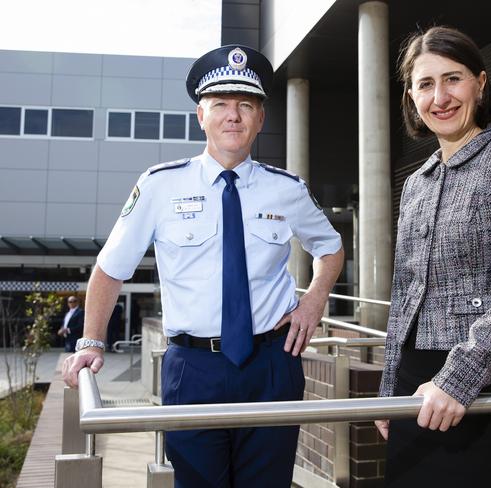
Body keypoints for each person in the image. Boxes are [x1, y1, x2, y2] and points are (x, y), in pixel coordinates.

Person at [62, 44, 344, 487]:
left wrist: (313, 302)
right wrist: (91, 342)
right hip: (193, 369)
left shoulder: (286, 189)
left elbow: (331, 248)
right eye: (221, 105)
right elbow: (111, 268)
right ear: (201, 115)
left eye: (245, 105)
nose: (233, 115)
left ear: (260, 118)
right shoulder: (159, 185)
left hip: (271, 364)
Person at [375, 26, 491, 487]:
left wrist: (458, 378)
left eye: (452, 79)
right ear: (411, 97)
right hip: (416, 382)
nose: (441, 96)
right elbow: (405, 296)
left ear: (480, 82)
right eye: (425, 84)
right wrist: (389, 389)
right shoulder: (416, 183)